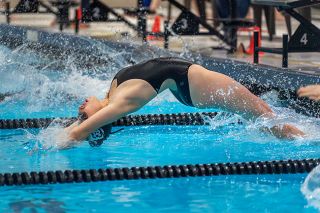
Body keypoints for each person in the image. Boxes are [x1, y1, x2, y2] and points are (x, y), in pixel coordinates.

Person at [63, 57, 304, 148]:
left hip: (190, 84)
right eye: (83, 115)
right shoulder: (123, 103)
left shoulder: (112, 95)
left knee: (263, 117)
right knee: (266, 116)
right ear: (96, 123)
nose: (80, 109)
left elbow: (76, 130)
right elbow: (77, 134)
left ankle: (300, 135)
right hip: (196, 87)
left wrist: (64, 129)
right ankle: (308, 141)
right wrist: (58, 141)